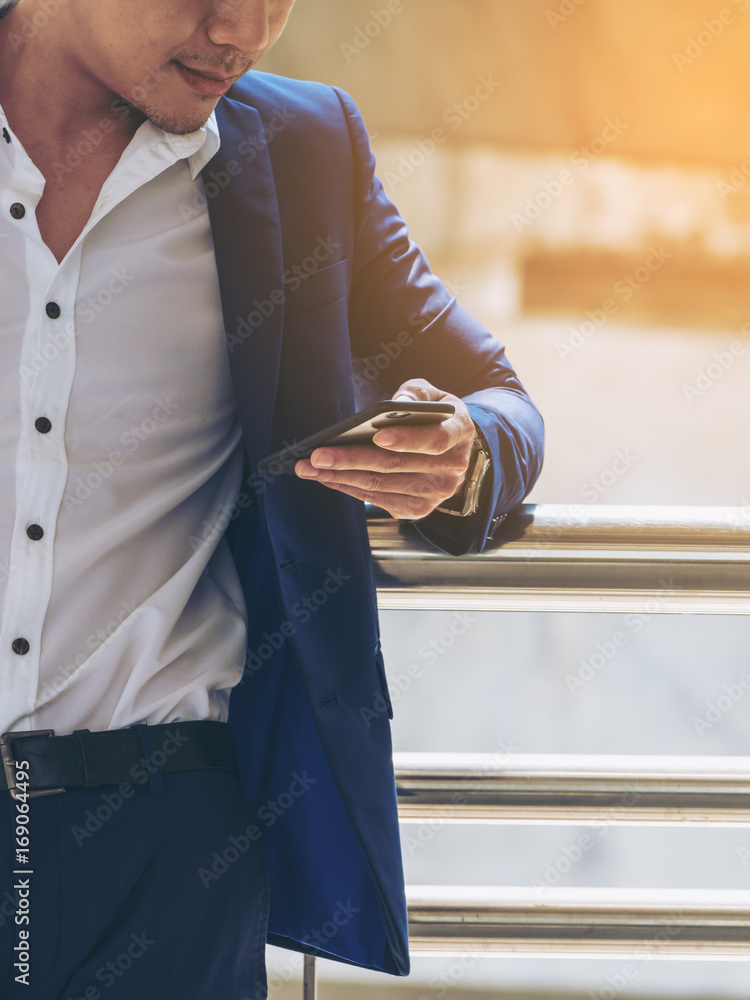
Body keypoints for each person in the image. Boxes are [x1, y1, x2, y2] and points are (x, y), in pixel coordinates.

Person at [0, 1, 544, 997]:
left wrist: (463, 452)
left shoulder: (298, 151)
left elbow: (501, 398)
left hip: (164, 855)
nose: (246, 28)